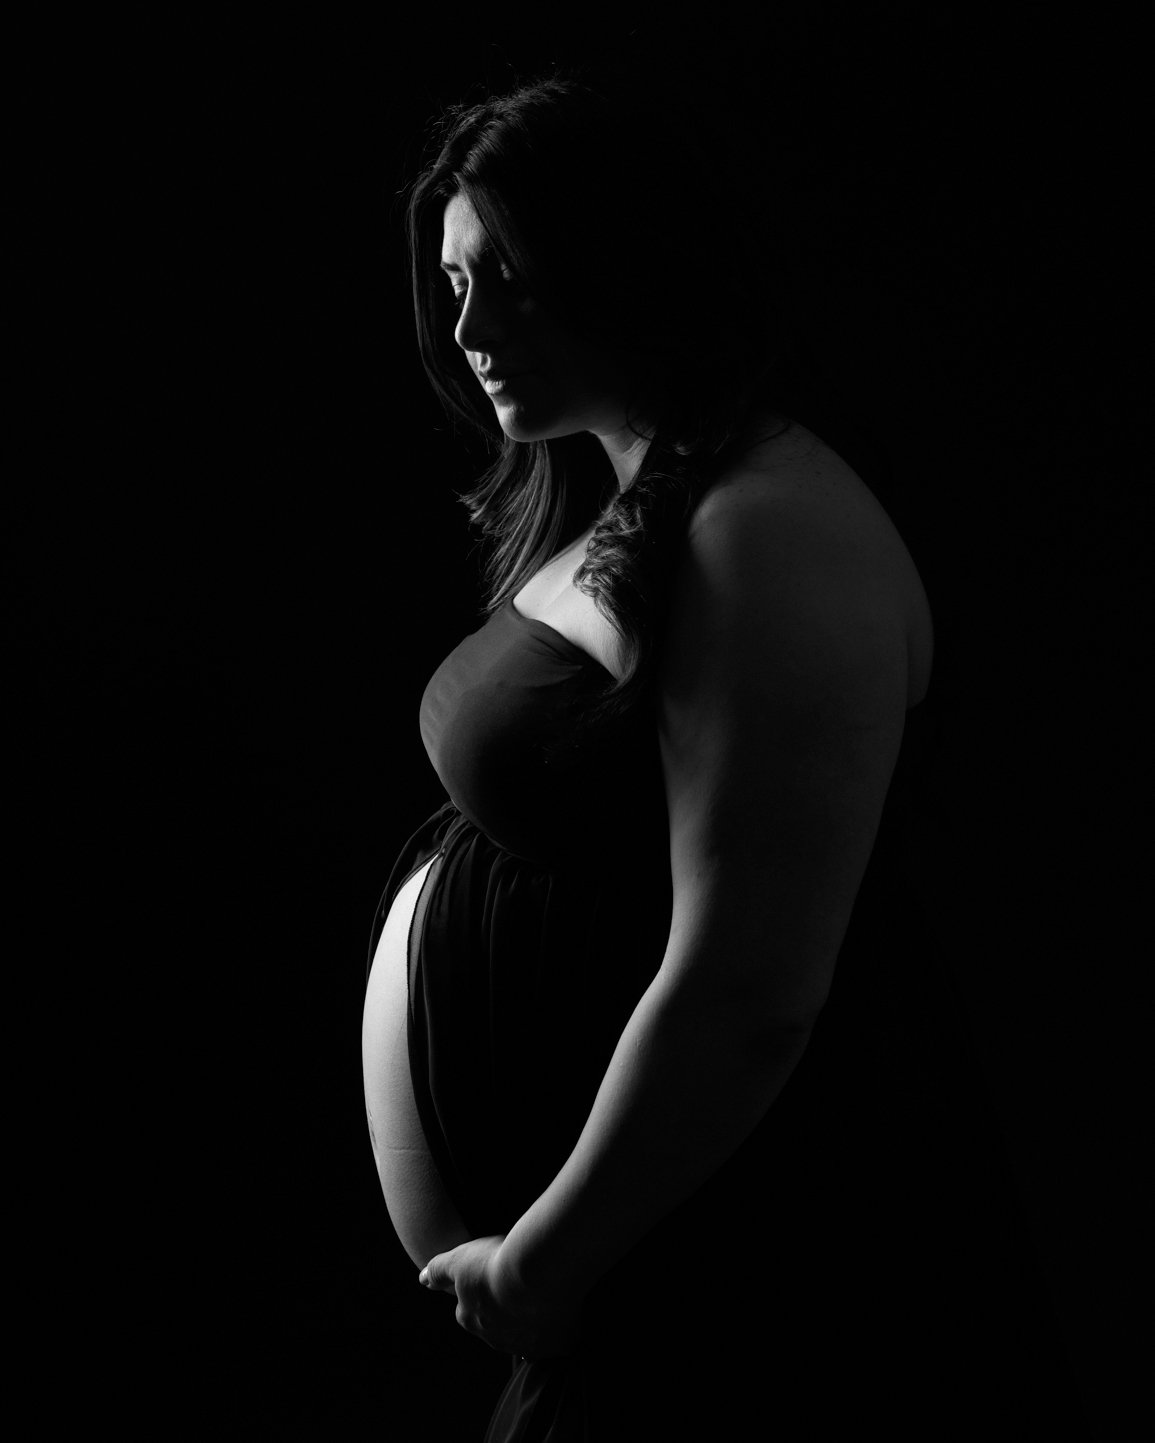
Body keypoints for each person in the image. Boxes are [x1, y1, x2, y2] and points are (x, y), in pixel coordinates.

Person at [361, 66, 1087, 1440]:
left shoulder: (768, 530)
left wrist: (540, 1261)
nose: (467, 326)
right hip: (643, 1262)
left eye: (505, 274)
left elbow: (750, 983)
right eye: (453, 283)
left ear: (623, 257)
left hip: (744, 1253)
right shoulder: (631, 493)